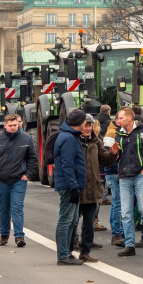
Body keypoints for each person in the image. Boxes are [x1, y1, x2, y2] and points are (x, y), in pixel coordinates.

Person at [110, 107, 143, 256]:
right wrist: (113, 154)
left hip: (140, 176)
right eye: (117, 118)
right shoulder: (119, 134)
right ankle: (130, 245)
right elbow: (117, 156)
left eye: (120, 118)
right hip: (125, 177)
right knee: (126, 213)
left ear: (129, 118)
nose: (117, 121)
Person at [0, 114, 37, 248]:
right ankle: (4, 234)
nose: (13, 127)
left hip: (19, 179)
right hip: (1, 180)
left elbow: (32, 158)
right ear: (5, 126)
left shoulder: (26, 138)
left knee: (17, 207)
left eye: (15, 125)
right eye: (10, 126)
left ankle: (19, 236)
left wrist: (28, 174)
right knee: (4, 209)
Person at [78, 115, 117, 262]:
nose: (88, 128)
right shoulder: (74, 141)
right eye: (85, 125)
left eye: (90, 125)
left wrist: (113, 154)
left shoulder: (96, 142)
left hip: (93, 187)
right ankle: (69, 247)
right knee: (72, 220)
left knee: (89, 222)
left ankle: (85, 251)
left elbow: (105, 160)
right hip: (78, 188)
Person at [52, 109, 88, 264]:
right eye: (85, 121)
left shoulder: (69, 136)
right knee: (66, 220)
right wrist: (73, 186)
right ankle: (63, 255)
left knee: (72, 220)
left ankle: (67, 252)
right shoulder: (68, 138)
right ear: (80, 123)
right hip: (69, 185)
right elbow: (68, 165)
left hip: (72, 184)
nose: (86, 124)